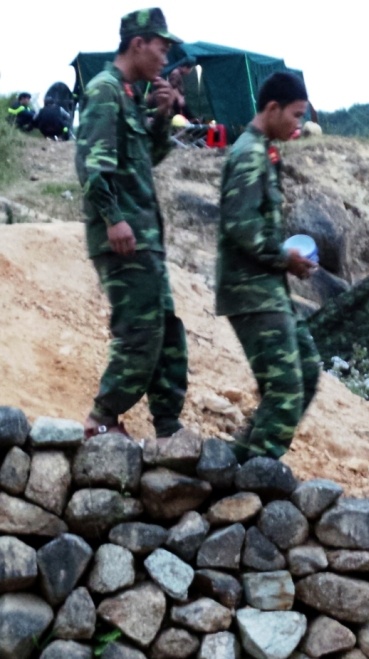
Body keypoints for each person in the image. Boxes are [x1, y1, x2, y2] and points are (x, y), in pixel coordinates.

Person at [75, 7, 186, 440]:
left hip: (144, 238)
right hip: (124, 239)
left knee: (167, 332)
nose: (165, 58)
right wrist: (114, 219)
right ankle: (100, 421)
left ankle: (168, 430)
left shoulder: (128, 95)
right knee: (140, 332)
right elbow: (92, 167)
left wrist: (161, 117)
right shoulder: (105, 91)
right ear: (138, 44)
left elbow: (144, 162)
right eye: (161, 48)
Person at [216, 71, 320, 462]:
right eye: (295, 115)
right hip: (250, 292)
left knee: (306, 371)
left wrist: (285, 261)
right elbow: (241, 226)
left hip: (269, 288)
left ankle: (240, 463)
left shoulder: (264, 150)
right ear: (273, 108)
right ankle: (256, 474)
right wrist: (284, 258)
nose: (298, 124)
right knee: (285, 388)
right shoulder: (248, 153)